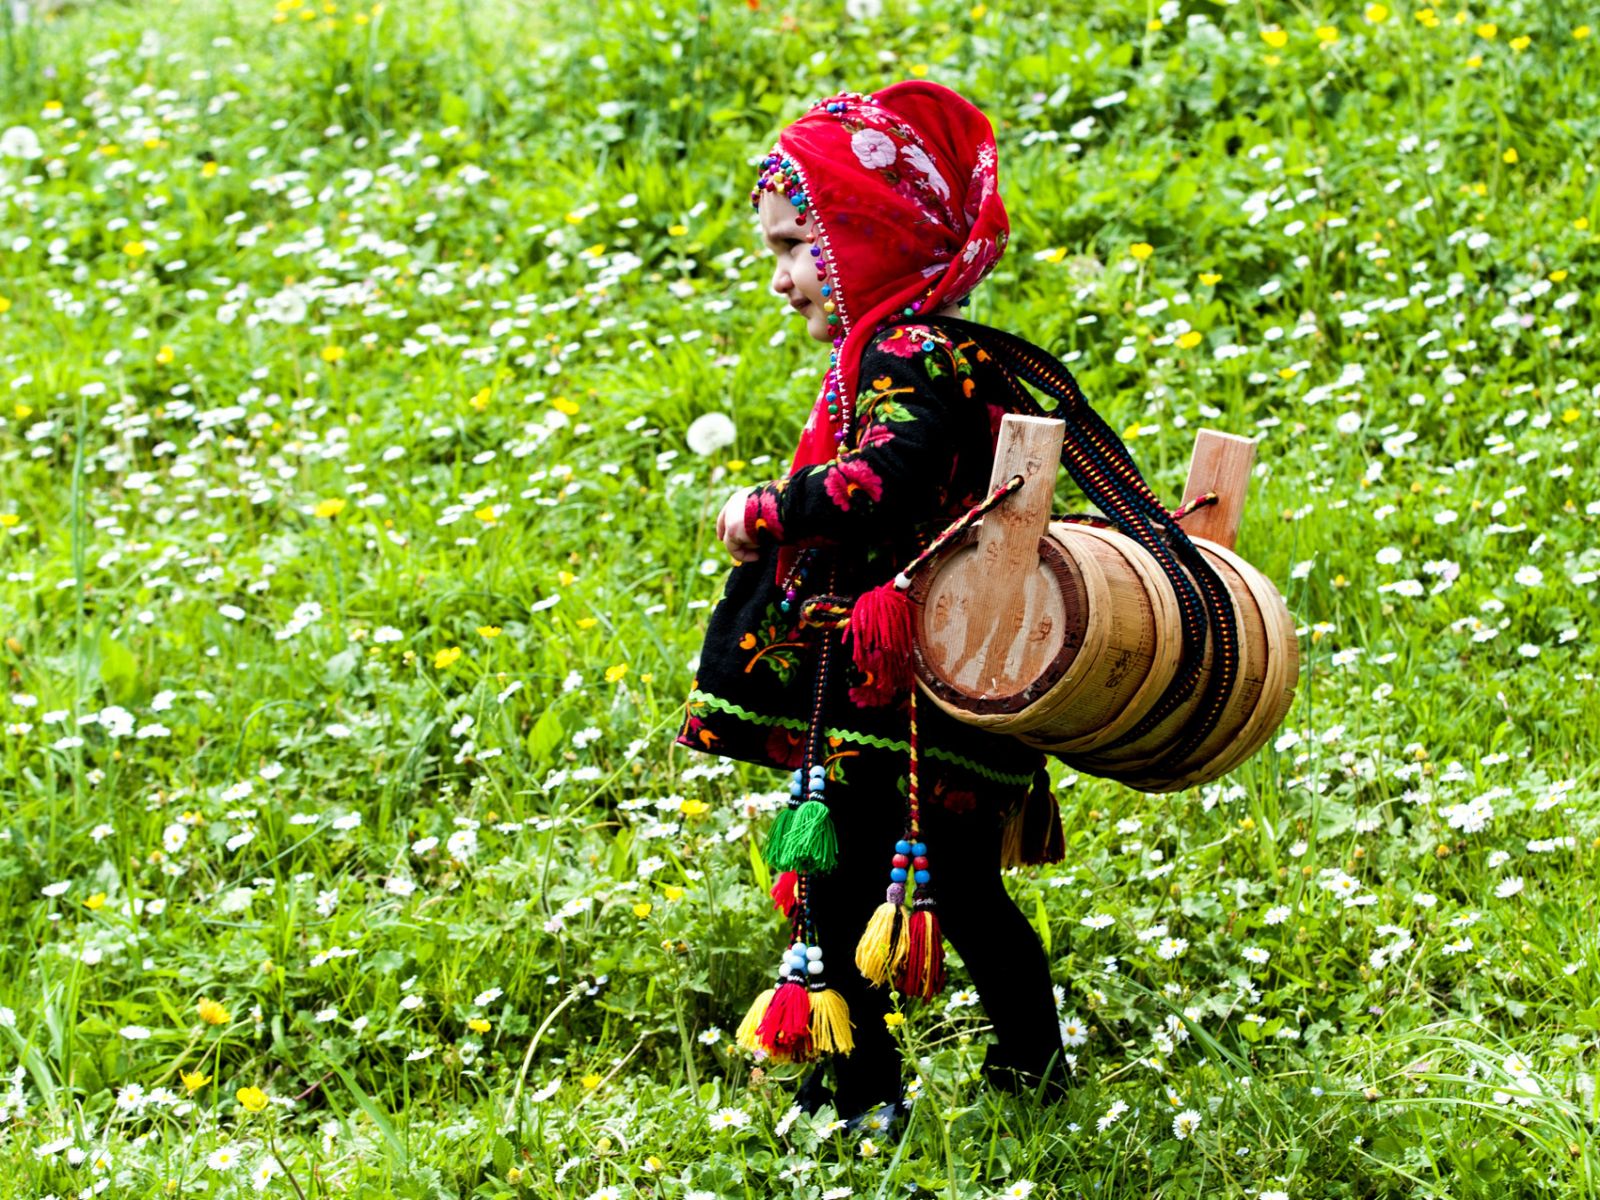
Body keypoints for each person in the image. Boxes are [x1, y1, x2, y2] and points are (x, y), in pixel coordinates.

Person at [674, 82, 1069, 1133]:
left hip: (887, 692)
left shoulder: (904, 354)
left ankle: (861, 1096)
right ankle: (1030, 1068)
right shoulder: (949, 354)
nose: (779, 276)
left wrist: (770, 508)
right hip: (954, 680)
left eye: (797, 244)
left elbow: (885, 481)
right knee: (962, 888)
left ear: (862, 235)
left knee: (834, 889)